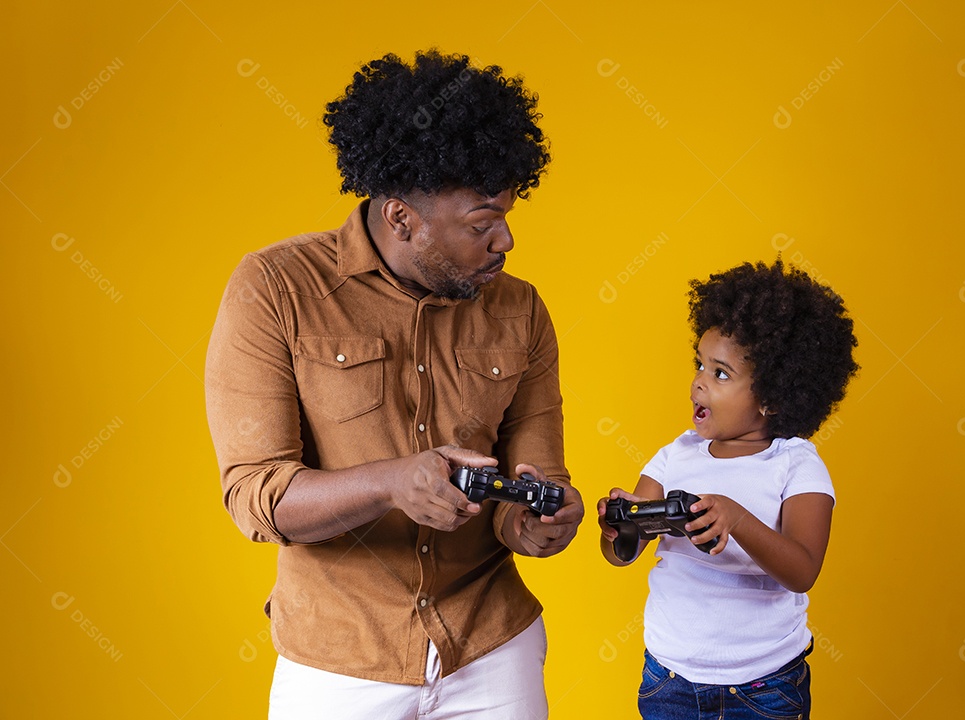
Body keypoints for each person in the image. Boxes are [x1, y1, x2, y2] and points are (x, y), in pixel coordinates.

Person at [205, 50, 583, 719]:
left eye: (507, 212)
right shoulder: (275, 289)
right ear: (401, 217)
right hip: (339, 660)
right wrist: (393, 481)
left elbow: (532, 485)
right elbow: (255, 497)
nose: (507, 239)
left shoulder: (521, 310)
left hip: (494, 646)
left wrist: (543, 522)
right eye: (482, 221)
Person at [598, 260, 858, 719]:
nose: (699, 380)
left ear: (773, 397)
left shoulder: (797, 465)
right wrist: (620, 525)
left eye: (721, 374)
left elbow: (802, 570)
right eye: (700, 364)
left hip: (763, 687)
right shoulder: (674, 456)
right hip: (669, 680)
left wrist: (736, 518)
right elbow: (625, 553)